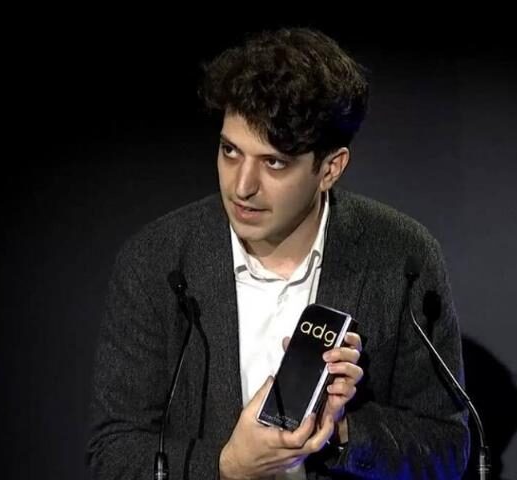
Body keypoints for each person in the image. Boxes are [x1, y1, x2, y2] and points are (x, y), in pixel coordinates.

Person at [86, 27, 469, 479]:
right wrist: (227, 467)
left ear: (330, 168)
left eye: (274, 162)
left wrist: (344, 430)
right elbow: (111, 453)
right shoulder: (157, 260)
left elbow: (448, 448)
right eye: (230, 151)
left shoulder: (402, 256)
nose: (242, 186)